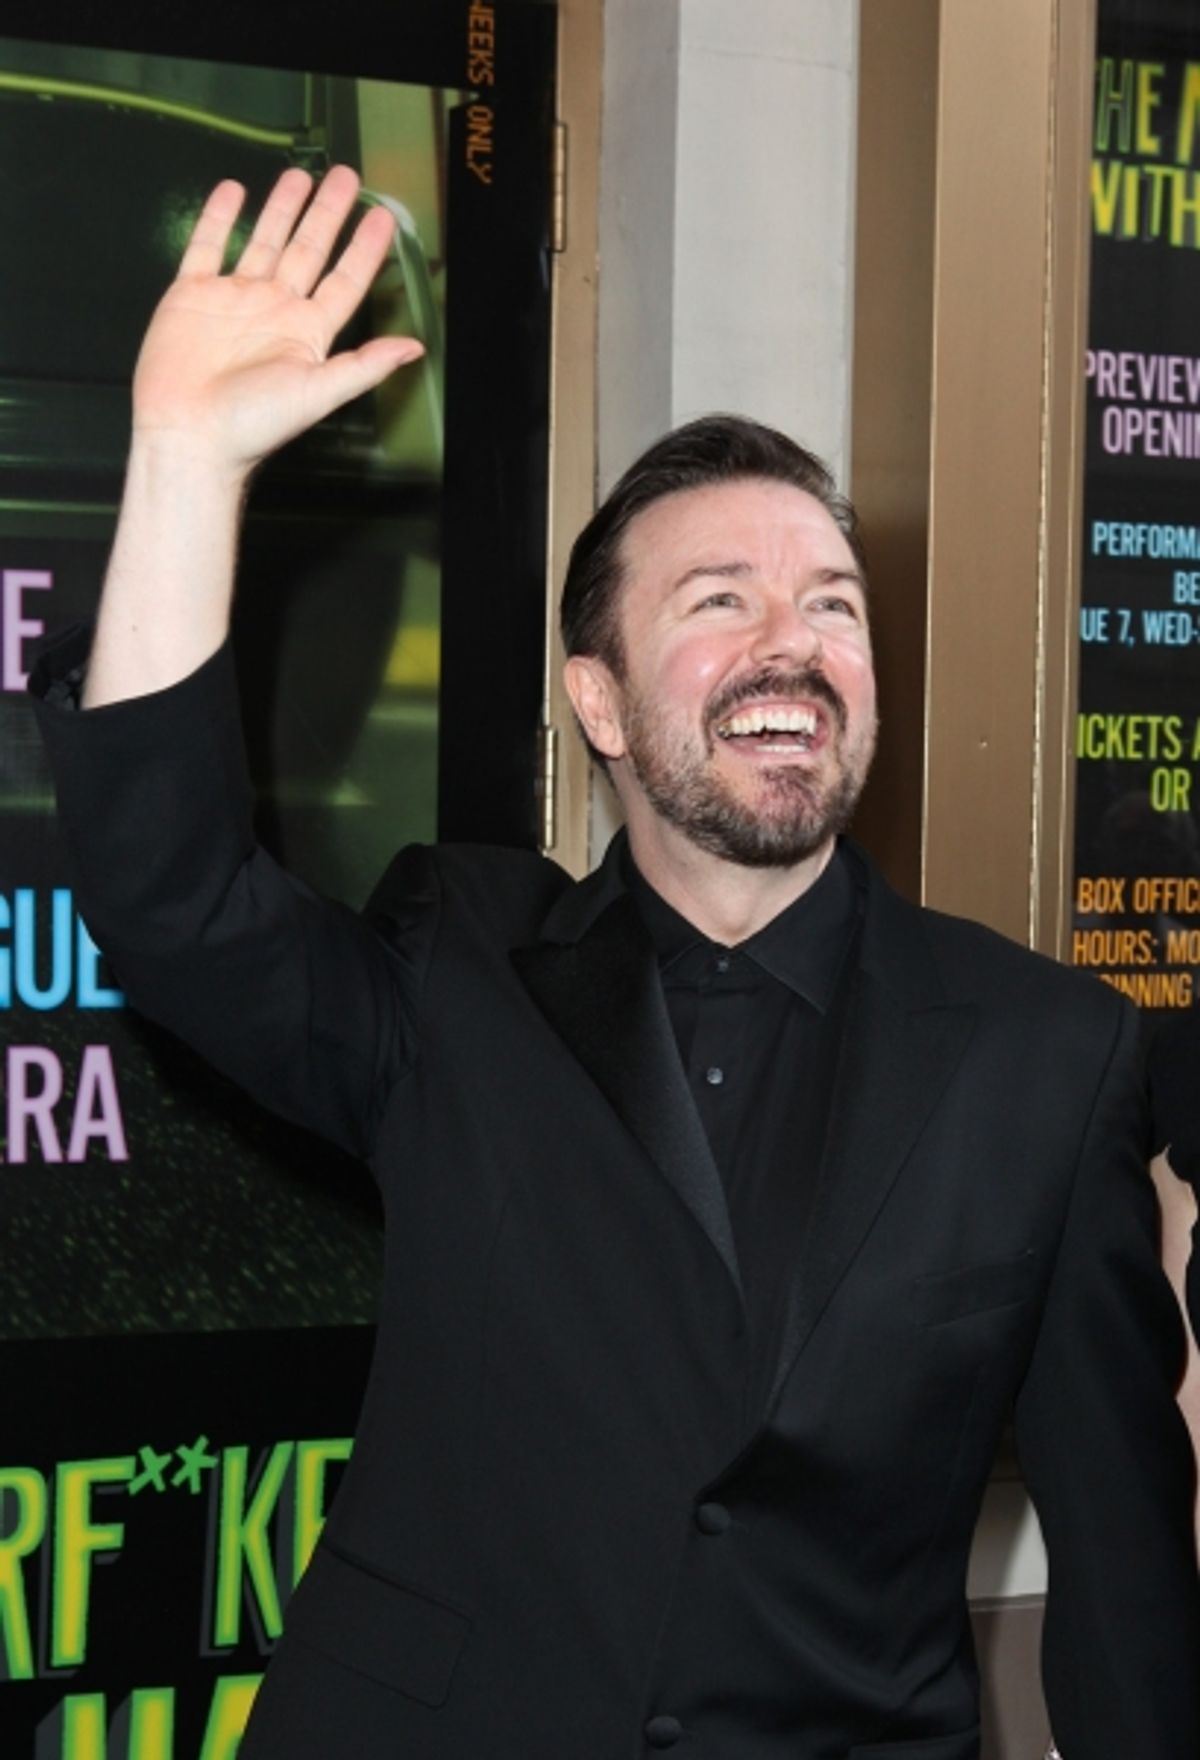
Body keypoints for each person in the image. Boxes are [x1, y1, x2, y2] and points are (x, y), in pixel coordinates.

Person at [32, 166, 1200, 1760]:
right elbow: (175, 907)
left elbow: (1126, 1569)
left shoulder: (1046, 1052)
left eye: (834, 606)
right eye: (722, 600)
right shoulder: (458, 965)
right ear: (599, 701)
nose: (793, 642)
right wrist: (183, 464)